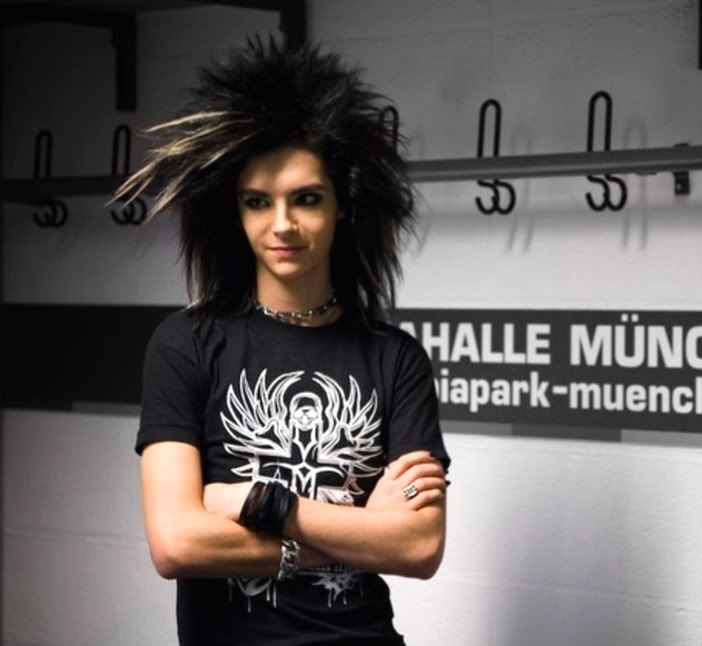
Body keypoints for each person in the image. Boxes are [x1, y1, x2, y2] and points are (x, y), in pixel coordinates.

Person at [116, 36, 450, 646]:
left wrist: (266, 505)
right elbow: (177, 544)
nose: (282, 225)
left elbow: (420, 546)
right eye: (257, 202)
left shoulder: (394, 358)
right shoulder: (185, 344)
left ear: (341, 205)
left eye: (307, 199)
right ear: (236, 213)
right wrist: (359, 531)